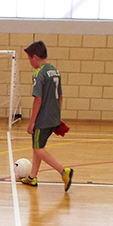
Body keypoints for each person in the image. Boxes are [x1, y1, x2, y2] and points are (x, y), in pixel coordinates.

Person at [22, 40, 74, 191]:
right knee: (38, 145)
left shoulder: (39, 74)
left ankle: (64, 172)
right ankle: (32, 177)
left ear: (35, 57)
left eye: (29, 58)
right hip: (53, 117)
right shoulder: (55, 70)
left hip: (43, 118)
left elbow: (38, 99)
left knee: (38, 149)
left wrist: (32, 123)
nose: (30, 62)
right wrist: (57, 115)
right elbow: (61, 95)